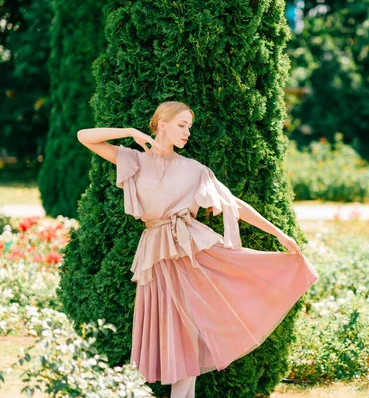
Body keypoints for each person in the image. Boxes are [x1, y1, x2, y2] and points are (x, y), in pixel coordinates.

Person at [77, 101, 319, 398]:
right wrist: (129, 131)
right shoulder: (133, 160)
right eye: (182, 124)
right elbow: (84, 136)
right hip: (154, 253)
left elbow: (235, 205)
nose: (188, 132)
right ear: (161, 124)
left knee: (187, 331)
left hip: (191, 253)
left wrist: (278, 232)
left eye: (189, 126)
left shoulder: (195, 170)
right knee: (163, 328)